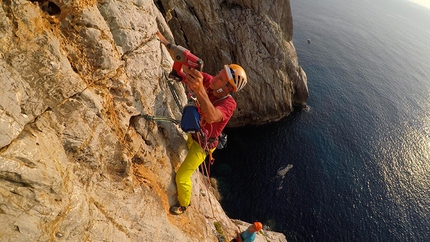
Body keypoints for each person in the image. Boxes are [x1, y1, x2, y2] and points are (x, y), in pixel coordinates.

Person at [155, 31, 248, 215]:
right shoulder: (209, 80)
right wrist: (165, 42)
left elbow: (212, 116)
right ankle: (204, 154)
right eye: (219, 73)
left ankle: (184, 204)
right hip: (194, 134)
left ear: (229, 88)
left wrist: (200, 92)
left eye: (221, 78)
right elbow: (186, 65)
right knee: (189, 142)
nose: (215, 78)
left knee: (182, 176)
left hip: (202, 145)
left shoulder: (229, 103)